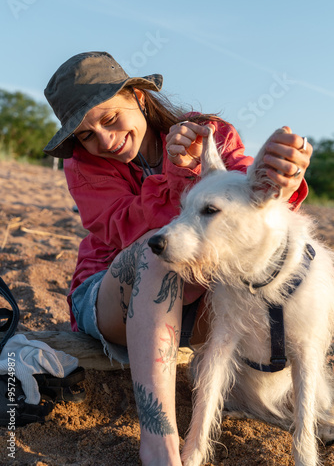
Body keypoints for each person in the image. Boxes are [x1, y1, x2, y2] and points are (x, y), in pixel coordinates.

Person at [43, 51, 312, 466]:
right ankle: (160, 448)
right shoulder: (84, 167)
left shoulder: (211, 135)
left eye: (110, 119)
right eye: (86, 134)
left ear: (138, 97)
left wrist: (283, 178)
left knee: (277, 269)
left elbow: (249, 204)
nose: (104, 141)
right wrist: (178, 175)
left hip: (202, 297)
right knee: (158, 256)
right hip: (109, 294)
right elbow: (124, 231)